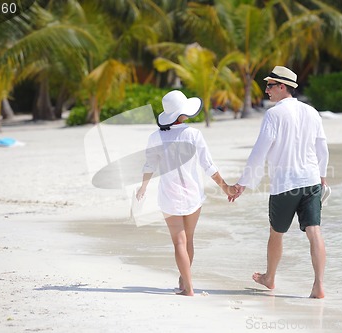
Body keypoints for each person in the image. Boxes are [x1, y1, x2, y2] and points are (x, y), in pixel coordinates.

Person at [231, 66, 329, 298]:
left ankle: (270, 277)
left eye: (270, 85)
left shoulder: (274, 114)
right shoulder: (312, 112)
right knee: (314, 232)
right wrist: (322, 176)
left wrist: (242, 183)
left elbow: (260, 151)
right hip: (311, 181)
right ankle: (319, 286)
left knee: (277, 232)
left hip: (285, 184)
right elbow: (322, 147)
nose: (266, 90)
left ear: (282, 87)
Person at [136, 90, 235, 296]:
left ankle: (187, 286)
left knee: (179, 242)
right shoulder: (193, 134)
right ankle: (184, 282)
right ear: (183, 114)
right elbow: (208, 166)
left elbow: (149, 165)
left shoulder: (156, 137)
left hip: (169, 195)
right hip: (193, 195)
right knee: (188, 240)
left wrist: (143, 187)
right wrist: (225, 187)